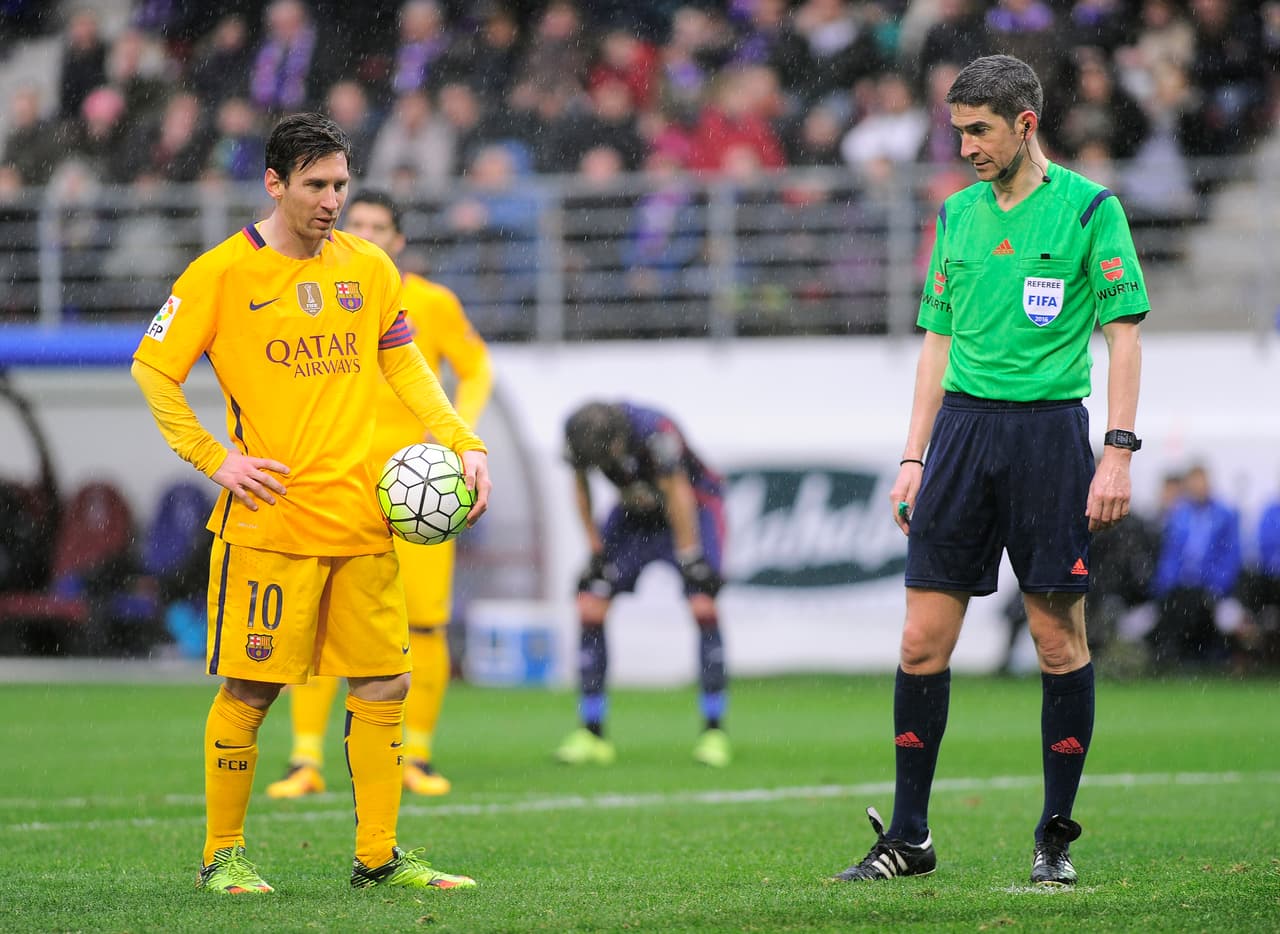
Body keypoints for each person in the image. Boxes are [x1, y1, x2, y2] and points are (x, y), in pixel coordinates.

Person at [131, 112, 490, 895]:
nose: (333, 199)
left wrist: (463, 438)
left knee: (383, 684)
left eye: (341, 184)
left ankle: (378, 856)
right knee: (251, 691)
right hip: (272, 522)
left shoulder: (367, 266)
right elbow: (153, 370)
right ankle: (221, 854)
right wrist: (213, 457)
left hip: (362, 518)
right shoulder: (219, 274)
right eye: (317, 185)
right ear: (275, 183)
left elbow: (404, 363)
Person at [834, 55, 1148, 889]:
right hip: (962, 439)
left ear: (1025, 124)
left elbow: (1125, 334)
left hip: (1050, 437)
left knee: (1055, 639)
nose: (966, 145)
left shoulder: (1090, 210)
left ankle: (1054, 836)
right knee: (920, 641)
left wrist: (1116, 450)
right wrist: (913, 456)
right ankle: (909, 837)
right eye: (958, 129)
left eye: (979, 130)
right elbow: (936, 340)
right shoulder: (958, 216)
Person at [266, 188, 493, 800]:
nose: (363, 230)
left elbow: (476, 367)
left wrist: (452, 432)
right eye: (355, 220)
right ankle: (305, 759)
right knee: (312, 624)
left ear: (398, 239)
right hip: (337, 480)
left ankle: (415, 754)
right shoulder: (308, 291)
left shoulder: (429, 303)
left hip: (422, 486)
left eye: (378, 225)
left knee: (423, 627)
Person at [556, 401, 730, 768]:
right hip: (634, 516)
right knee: (591, 604)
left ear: (618, 443)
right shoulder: (580, 435)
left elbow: (676, 490)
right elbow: (581, 488)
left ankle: (714, 732)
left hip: (691, 508)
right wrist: (595, 550)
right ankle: (592, 733)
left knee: (703, 604)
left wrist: (690, 556)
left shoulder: (656, 433)